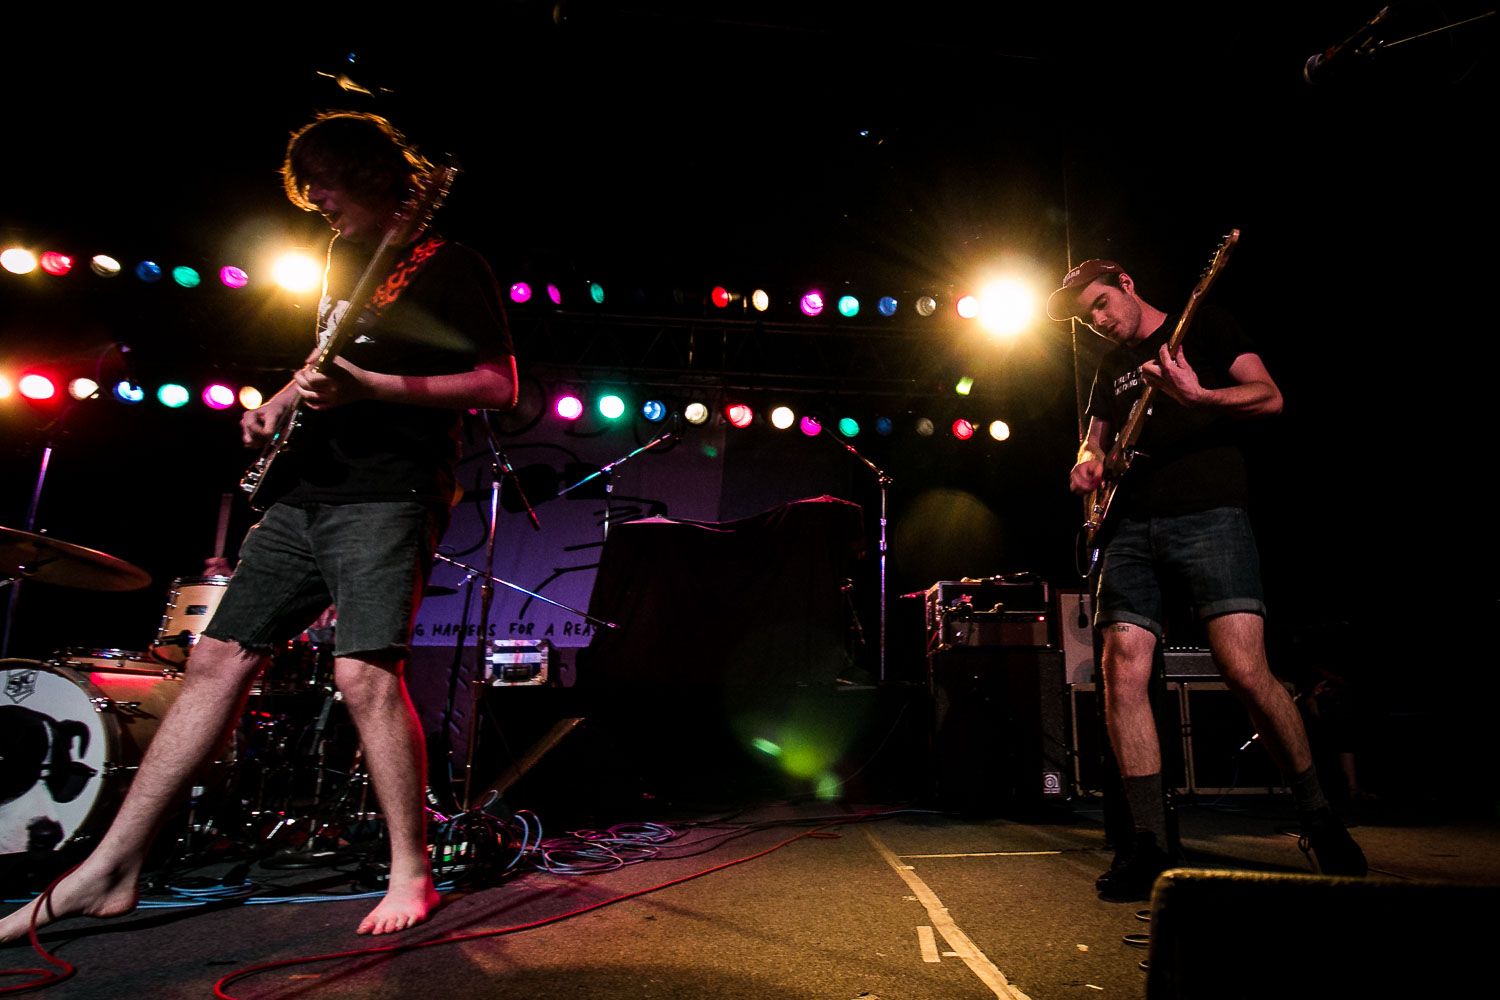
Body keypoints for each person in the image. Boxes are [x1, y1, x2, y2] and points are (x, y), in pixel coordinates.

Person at [0, 111, 516, 942]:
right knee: (212, 662)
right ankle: (110, 869)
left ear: (375, 173)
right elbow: (327, 359)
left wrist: (373, 391)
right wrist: (282, 401)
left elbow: (498, 385)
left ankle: (411, 870)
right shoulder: (338, 255)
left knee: (363, 677)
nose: (315, 200)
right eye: (307, 187)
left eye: (326, 182)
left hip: (387, 494)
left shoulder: (452, 264)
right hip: (302, 492)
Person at [1049, 258, 1364, 898]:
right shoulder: (1110, 368)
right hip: (1129, 529)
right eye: (1090, 317)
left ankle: (1319, 818)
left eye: (1104, 304)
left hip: (1211, 516)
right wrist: (1086, 466)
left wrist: (1199, 396)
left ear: (1129, 284)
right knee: (1121, 670)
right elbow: (1095, 442)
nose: (1101, 321)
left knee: (1245, 668)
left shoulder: (1209, 326)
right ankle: (1149, 845)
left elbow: (1270, 396)